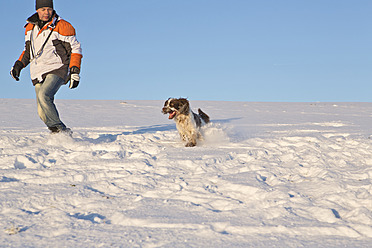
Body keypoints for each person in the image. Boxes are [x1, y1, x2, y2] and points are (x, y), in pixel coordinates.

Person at [10, 0, 83, 134]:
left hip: (58, 68)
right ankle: (58, 132)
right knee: (42, 112)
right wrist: (18, 65)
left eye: (49, 9)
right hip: (38, 71)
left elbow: (75, 50)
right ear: (37, 10)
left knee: (45, 96)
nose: (46, 12)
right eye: (43, 9)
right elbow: (28, 51)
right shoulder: (29, 28)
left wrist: (74, 71)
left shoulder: (63, 26)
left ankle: (61, 131)